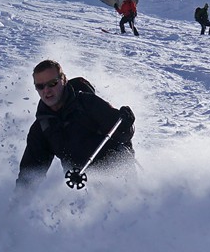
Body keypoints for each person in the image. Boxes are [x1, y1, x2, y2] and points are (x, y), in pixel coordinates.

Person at [16, 59, 136, 191]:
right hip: (80, 184)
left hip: (118, 173)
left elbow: (123, 134)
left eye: (52, 83)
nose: (47, 90)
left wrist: (126, 122)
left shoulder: (87, 104)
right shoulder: (42, 127)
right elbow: (30, 175)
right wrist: (18, 202)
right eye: (40, 86)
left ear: (64, 80)